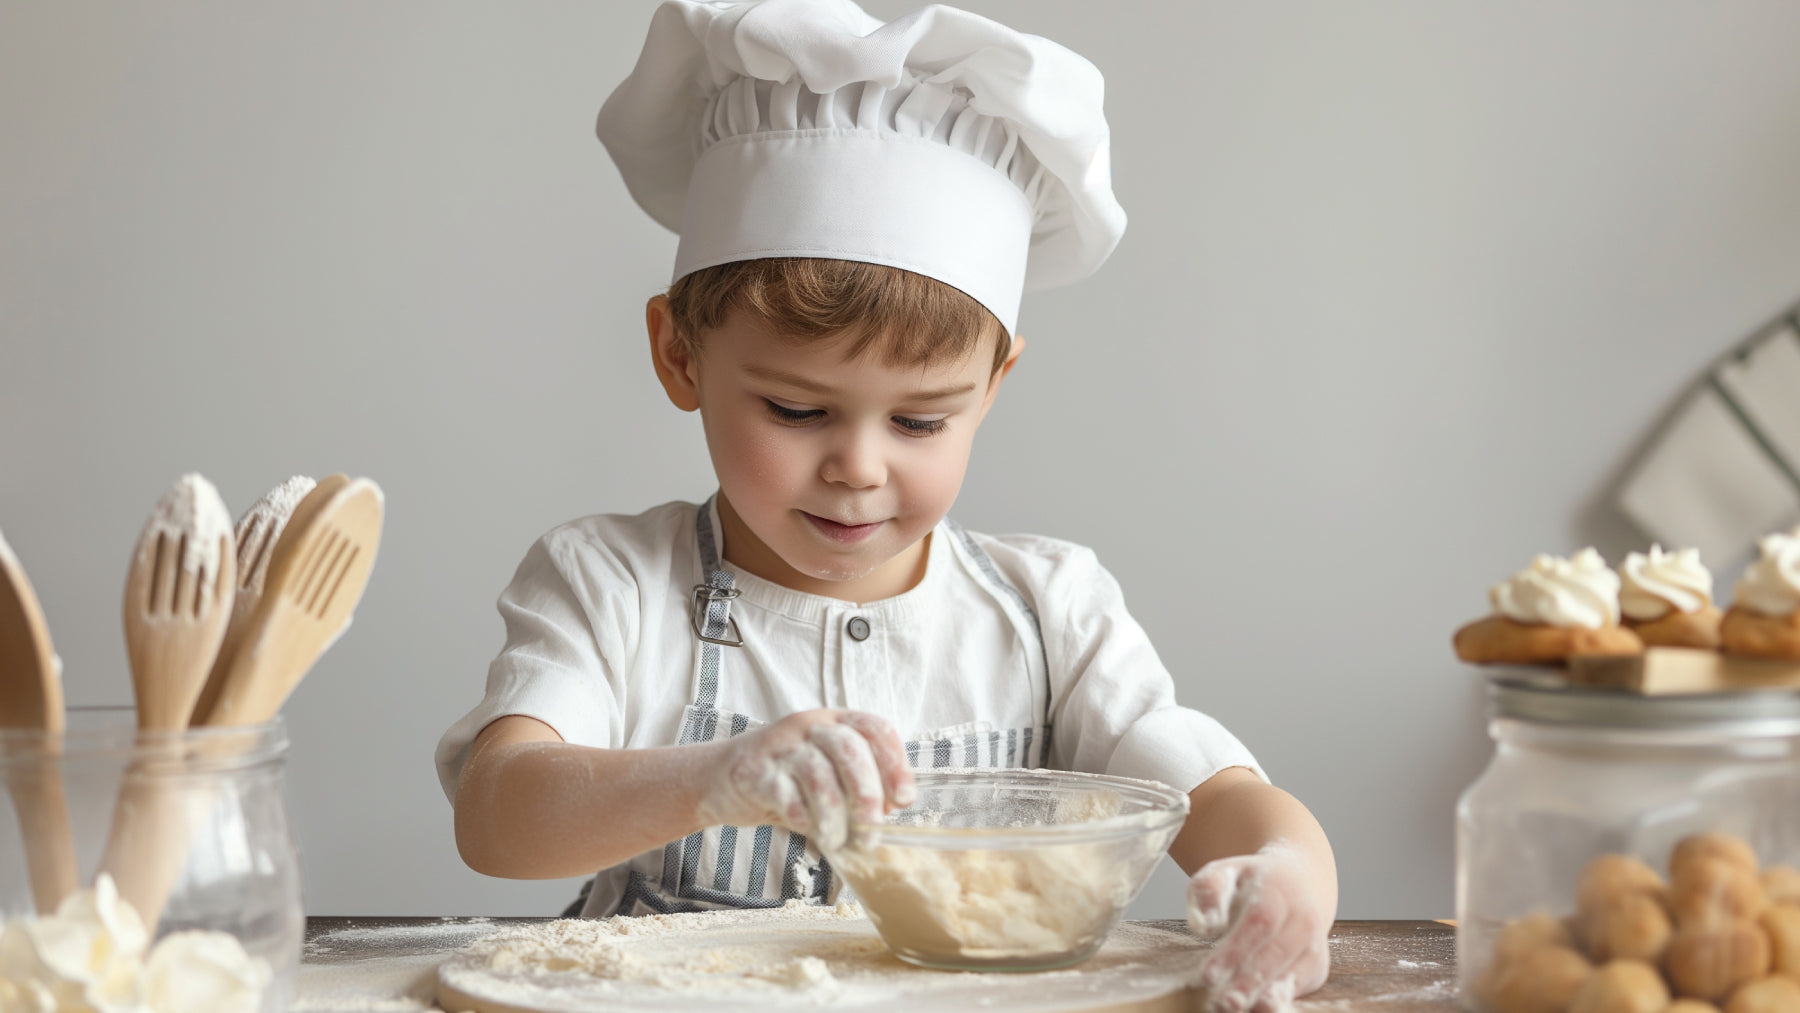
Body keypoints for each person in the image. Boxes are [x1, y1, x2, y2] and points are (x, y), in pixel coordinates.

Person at [435, 1, 1337, 1008]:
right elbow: (497, 815)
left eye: (920, 421)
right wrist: (714, 777)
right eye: (795, 407)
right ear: (679, 355)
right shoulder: (615, 584)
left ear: (991, 386)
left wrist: (1290, 875)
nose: (858, 466)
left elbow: (1218, 798)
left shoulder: (1050, 610)